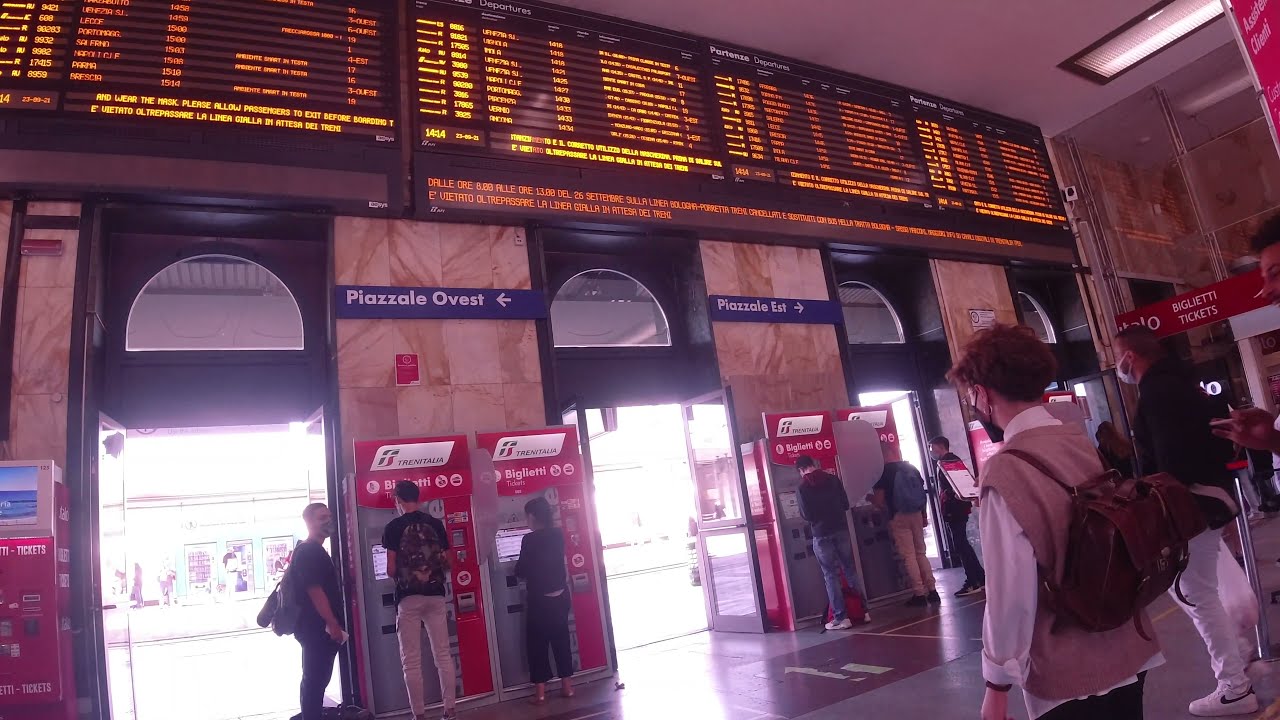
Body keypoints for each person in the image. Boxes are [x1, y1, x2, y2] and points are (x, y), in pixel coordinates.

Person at [950, 324, 1162, 720]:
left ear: (982, 391)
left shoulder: (1005, 472)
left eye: (969, 395)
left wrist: (997, 686)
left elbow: (1009, 593)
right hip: (1127, 642)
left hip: (1067, 673)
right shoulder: (1077, 441)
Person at [1113, 324, 1251, 716]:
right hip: (1211, 499)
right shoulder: (1181, 382)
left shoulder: (1156, 393)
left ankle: (1234, 686)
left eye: (1116, 353)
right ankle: (1236, 659)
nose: (1115, 364)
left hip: (1192, 507)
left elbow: (1170, 463)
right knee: (1192, 588)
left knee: (1193, 590)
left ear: (1131, 356)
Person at [382, 481, 456, 720]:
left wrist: (408, 571)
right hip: (435, 595)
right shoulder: (435, 523)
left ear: (397, 500)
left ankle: (419, 715)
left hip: (408, 598)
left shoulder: (393, 527)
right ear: (418, 498)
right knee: (443, 654)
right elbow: (449, 562)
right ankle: (450, 710)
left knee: (411, 661)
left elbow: (390, 568)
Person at [794, 455, 868, 629]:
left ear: (801, 470)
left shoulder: (802, 488)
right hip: (841, 529)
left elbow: (807, 515)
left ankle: (841, 617)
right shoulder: (833, 479)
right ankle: (863, 612)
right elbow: (844, 504)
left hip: (821, 534)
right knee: (850, 570)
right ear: (814, 464)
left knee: (830, 575)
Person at [514, 497, 575, 704]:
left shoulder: (529, 539)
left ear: (531, 516)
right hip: (560, 597)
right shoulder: (558, 534)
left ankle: (540, 693)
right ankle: (567, 687)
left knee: (537, 644)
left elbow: (520, 570)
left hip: (540, 601)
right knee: (561, 639)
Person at [292, 503, 345, 720]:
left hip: (315, 627)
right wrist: (332, 623)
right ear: (309, 522)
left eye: (329, 516)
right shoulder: (310, 551)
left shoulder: (313, 549)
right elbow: (314, 590)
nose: (328, 521)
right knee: (315, 680)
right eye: (323, 517)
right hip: (316, 628)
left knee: (317, 679)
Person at [871, 452, 938, 607]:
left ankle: (919, 594)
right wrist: (924, 515)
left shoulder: (883, 472)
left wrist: (870, 499)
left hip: (899, 516)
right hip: (916, 513)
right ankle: (932, 590)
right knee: (921, 553)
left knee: (909, 556)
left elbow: (880, 502)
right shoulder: (911, 468)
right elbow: (922, 494)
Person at [928, 436, 984, 597]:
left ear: (939, 446)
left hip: (955, 508)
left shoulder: (946, 463)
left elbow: (955, 486)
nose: (931, 452)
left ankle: (973, 580)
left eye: (932, 448)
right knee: (962, 543)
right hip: (960, 507)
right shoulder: (954, 460)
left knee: (960, 544)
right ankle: (979, 576)